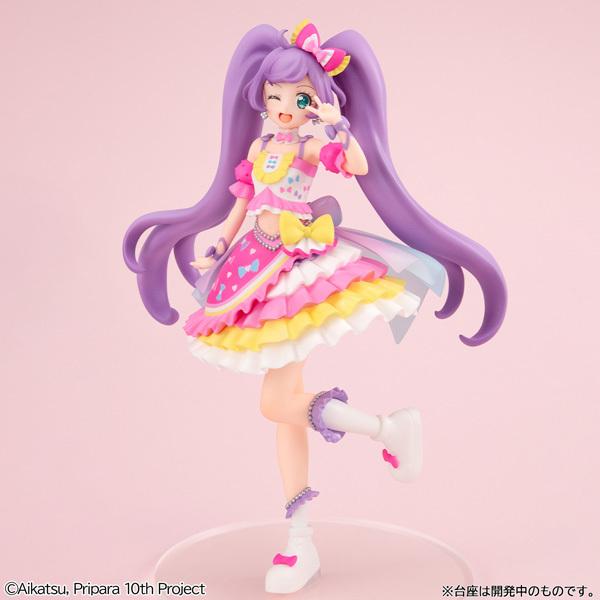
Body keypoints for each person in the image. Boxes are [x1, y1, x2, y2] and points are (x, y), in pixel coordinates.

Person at [123, 20, 507, 594]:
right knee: (285, 409)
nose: (283, 109)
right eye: (274, 97)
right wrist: (220, 245)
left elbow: (356, 165)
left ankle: (387, 431)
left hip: (298, 264)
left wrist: (337, 123)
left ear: (316, 99)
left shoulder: (309, 143)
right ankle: (300, 537)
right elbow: (242, 203)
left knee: (276, 403)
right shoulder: (260, 147)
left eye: (298, 98)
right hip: (253, 262)